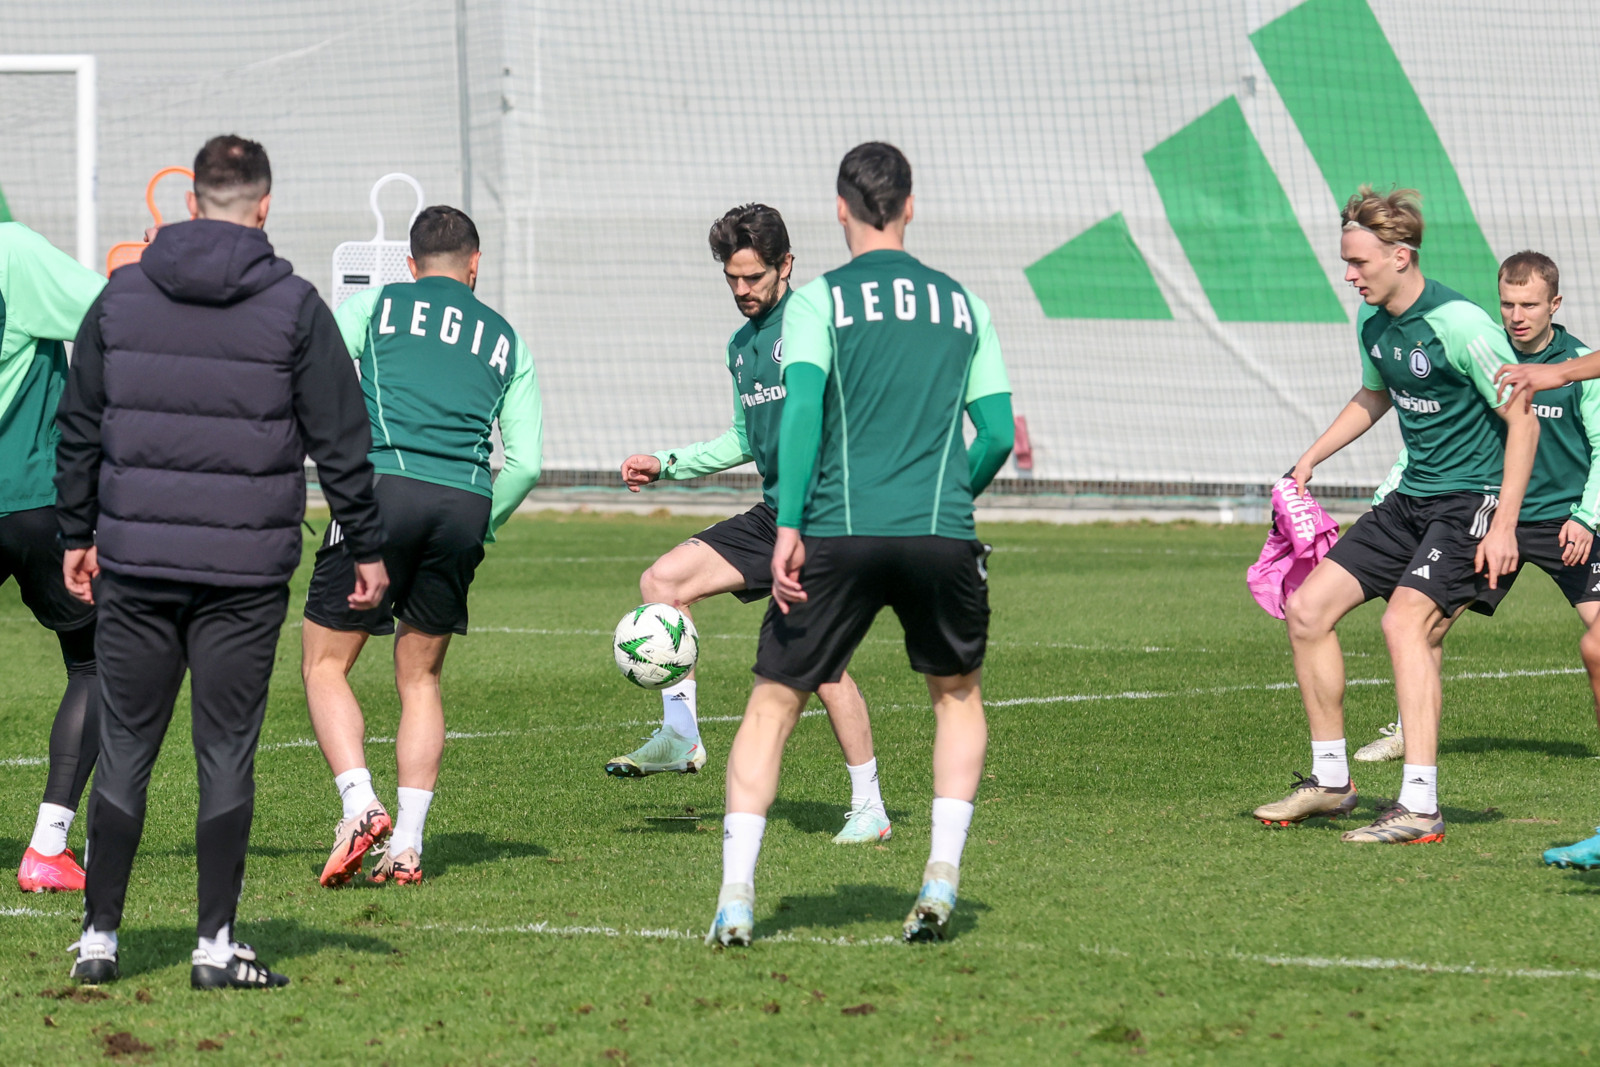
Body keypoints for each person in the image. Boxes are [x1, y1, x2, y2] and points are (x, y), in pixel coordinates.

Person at [56, 135, 389, 988]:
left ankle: (99, 938)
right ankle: (213, 946)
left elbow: (80, 422)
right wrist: (365, 543)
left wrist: (75, 533)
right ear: (264, 205)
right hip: (242, 576)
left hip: (136, 560)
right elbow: (340, 437)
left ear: (190, 200)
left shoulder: (120, 296)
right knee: (225, 750)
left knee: (128, 744)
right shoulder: (295, 304)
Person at [705, 143, 1014, 947]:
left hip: (837, 529)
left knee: (773, 704)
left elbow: (800, 416)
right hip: (940, 533)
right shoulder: (966, 304)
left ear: (841, 211)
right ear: (911, 206)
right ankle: (940, 877)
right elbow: (998, 436)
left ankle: (737, 896)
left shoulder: (817, 306)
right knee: (956, 697)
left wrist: (794, 524)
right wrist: (950, 498)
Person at [1251, 186, 1537, 845]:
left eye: (1359, 263)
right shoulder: (1373, 324)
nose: (1349, 275)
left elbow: (1522, 423)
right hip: (1410, 498)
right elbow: (1376, 395)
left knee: (1404, 623)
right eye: (1346, 262)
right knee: (1307, 610)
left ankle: (1420, 805)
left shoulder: (1463, 325)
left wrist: (1504, 524)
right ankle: (1331, 782)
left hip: (1471, 501)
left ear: (1401, 256)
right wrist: (1311, 456)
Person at [616, 203, 890, 844]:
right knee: (663, 582)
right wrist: (669, 464)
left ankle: (869, 806)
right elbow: (744, 436)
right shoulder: (742, 348)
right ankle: (681, 738)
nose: (742, 291)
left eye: (754, 278)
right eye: (732, 279)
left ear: (785, 265)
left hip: (830, 516)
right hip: (775, 512)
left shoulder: (818, 326)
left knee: (820, 665)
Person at [303, 205, 542, 889]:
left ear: (410, 265)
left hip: (384, 488)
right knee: (421, 678)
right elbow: (524, 463)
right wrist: (483, 526)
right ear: (474, 267)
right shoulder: (507, 339)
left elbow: (314, 364)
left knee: (325, 664)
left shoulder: (376, 303)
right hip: (464, 501)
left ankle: (359, 804)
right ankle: (407, 844)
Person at [1355, 252, 1600, 764]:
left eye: (1529, 304)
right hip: (1489, 518)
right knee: (1427, 625)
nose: (1517, 315)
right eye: (1508, 303)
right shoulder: (1479, 351)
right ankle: (1407, 732)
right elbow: (1442, 441)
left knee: (1599, 639)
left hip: (1566, 525)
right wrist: (1389, 494)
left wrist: (1585, 518)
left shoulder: (1579, 364)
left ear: (1554, 304)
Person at [0, 223, 105, 893]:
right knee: (100, 660)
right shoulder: (13, 250)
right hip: (33, 495)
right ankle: (48, 844)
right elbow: (115, 317)